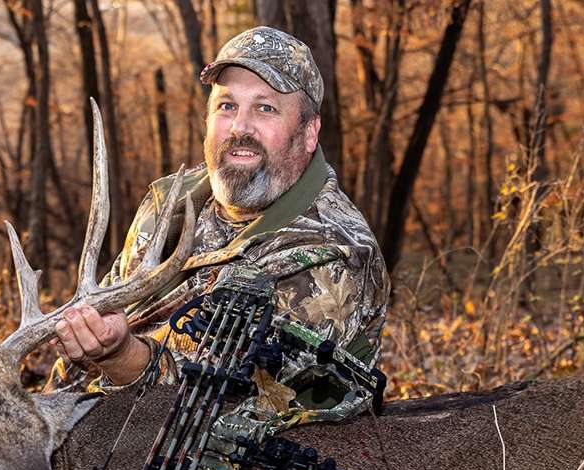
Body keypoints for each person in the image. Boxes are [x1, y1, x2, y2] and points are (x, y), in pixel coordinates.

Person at [53, 26, 388, 421]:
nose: (239, 128)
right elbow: (94, 326)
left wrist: (123, 357)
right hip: (80, 423)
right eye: (226, 106)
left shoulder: (332, 251)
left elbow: (239, 408)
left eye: (266, 108)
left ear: (309, 132)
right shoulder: (169, 206)